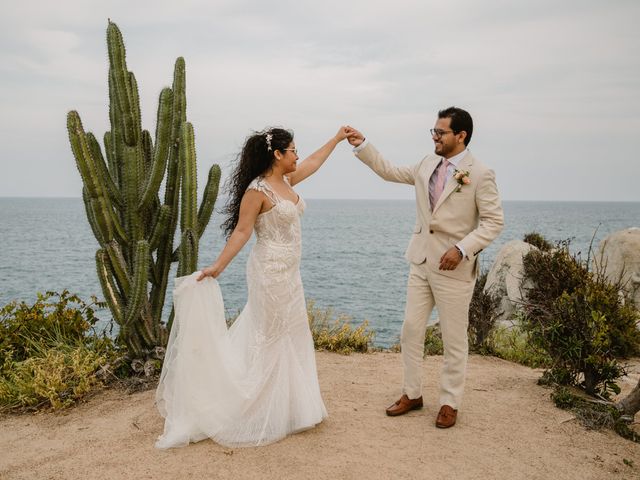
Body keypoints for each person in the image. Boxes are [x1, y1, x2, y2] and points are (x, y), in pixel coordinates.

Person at [155, 126, 350, 448]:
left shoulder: (286, 181)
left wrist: (337, 138)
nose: (298, 156)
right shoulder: (257, 191)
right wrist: (218, 267)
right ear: (277, 154)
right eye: (293, 151)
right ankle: (256, 411)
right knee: (270, 336)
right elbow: (243, 232)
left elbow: (314, 162)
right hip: (269, 272)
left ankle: (289, 408)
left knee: (292, 333)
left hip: (291, 273)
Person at [345, 107, 504, 428]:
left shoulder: (481, 174)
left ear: (461, 136)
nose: (434, 137)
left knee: (454, 339)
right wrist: (363, 145)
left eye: (440, 133)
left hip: (454, 269)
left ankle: (449, 402)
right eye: (433, 131)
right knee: (411, 330)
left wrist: (462, 249)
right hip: (419, 261)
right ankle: (412, 394)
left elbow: (493, 222)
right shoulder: (426, 163)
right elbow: (389, 171)